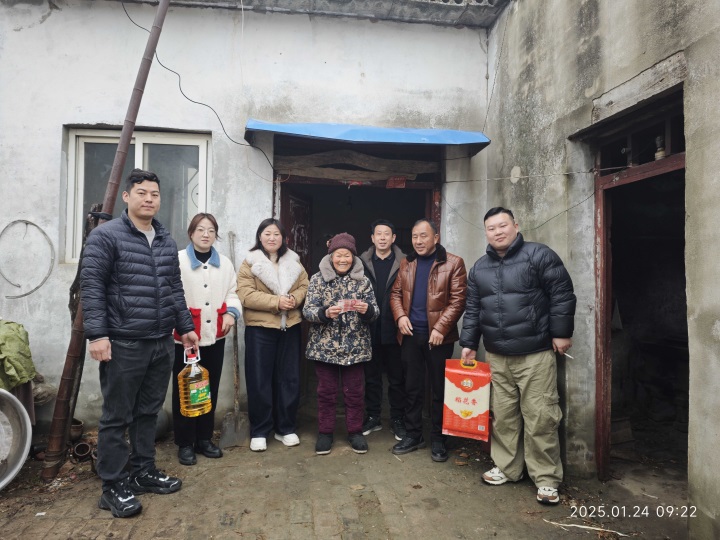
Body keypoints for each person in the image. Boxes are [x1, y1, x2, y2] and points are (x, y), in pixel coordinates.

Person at [81, 169, 199, 518]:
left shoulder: (164, 239)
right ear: (127, 197)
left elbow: (174, 288)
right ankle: (112, 486)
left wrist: (185, 327)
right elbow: (92, 287)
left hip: (161, 340)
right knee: (116, 416)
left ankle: (142, 471)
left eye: (155, 194)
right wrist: (97, 335)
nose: (149, 199)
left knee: (148, 411)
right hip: (123, 342)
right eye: (142, 193)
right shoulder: (106, 236)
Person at [459, 207, 576, 506]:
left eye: (503, 225)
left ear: (516, 225)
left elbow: (562, 293)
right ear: (486, 232)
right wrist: (469, 343)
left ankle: (546, 478)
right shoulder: (479, 268)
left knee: (541, 416)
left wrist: (561, 333)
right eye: (491, 228)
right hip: (497, 355)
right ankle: (508, 468)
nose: (497, 232)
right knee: (504, 416)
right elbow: (473, 309)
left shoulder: (539, 255)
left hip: (534, 353)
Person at [389, 219, 467, 462]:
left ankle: (438, 438)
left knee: (439, 389)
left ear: (436, 237)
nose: (418, 241)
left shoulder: (453, 263)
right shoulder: (407, 262)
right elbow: (395, 294)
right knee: (412, 387)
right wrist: (400, 317)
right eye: (415, 236)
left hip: (439, 338)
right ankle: (414, 434)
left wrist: (441, 328)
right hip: (411, 335)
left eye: (423, 236)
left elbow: (458, 300)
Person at [171, 213, 241, 466]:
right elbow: (170, 295)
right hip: (186, 339)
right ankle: (185, 442)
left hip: (214, 337)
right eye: (200, 229)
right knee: (185, 389)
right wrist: (181, 325)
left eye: (211, 230)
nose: (205, 234)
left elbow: (233, 292)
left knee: (208, 388)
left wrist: (231, 313)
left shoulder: (225, 264)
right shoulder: (177, 260)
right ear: (191, 233)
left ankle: (204, 438)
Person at [303, 233, 379, 455]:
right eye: (338, 255)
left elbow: (375, 311)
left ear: (353, 257)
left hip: (355, 348)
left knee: (354, 392)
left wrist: (367, 310)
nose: (343, 259)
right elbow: (307, 311)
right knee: (326, 393)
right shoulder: (318, 279)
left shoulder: (363, 281)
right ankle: (325, 433)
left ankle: (355, 432)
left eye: (347, 255)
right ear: (331, 256)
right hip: (324, 348)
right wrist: (325, 313)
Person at [236, 218, 308, 452]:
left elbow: (304, 286)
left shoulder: (294, 261)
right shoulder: (250, 262)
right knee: (259, 379)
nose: (272, 238)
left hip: (290, 326)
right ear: (260, 236)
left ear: (283, 238)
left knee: (289, 378)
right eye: (267, 233)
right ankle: (260, 430)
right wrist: (276, 302)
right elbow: (245, 294)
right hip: (260, 328)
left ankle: (285, 427)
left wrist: (294, 299)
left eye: (276, 234)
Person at [358, 219, 407, 440]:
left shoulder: (405, 262)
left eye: (387, 234)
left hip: (394, 327)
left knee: (397, 378)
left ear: (393, 238)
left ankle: (397, 419)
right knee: (371, 377)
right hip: (369, 328)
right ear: (372, 238)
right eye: (378, 234)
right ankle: (373, 416)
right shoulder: (361, 263)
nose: (382, 238)